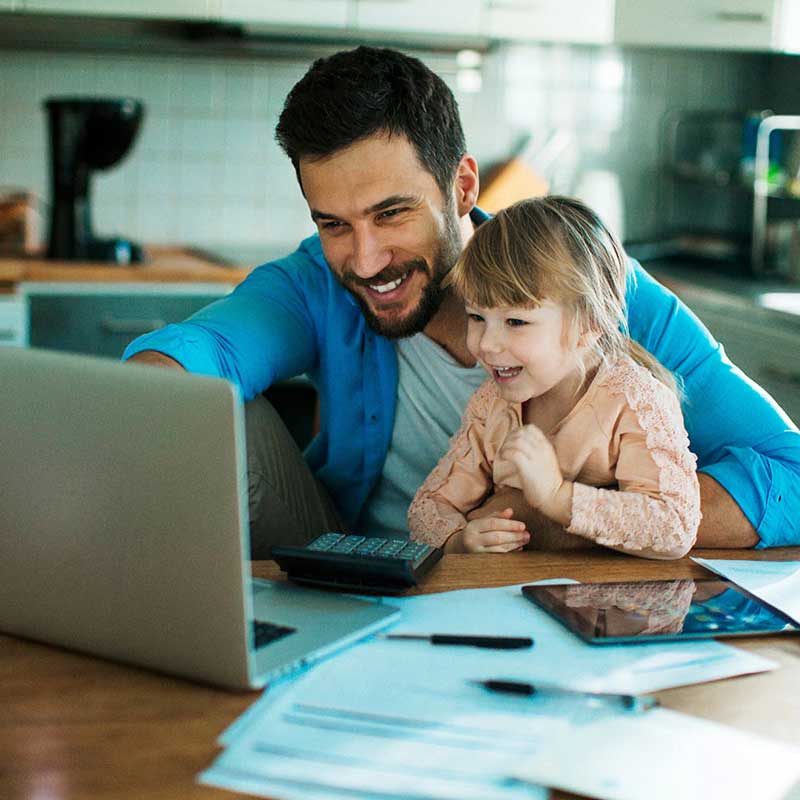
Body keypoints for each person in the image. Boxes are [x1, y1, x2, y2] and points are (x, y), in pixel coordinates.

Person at [122, 45, 800, 558]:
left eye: (392, 213)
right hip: (364, 566)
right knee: (212, 410)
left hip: (548, 583)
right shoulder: (312, 283)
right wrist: (126, 407)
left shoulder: (598, 292)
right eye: (333, 223)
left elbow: (790, 472)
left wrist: (552, 516)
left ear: (463, 188)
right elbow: (209, 347)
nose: (364, 260)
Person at [408, 196, 700, 558]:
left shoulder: (636, 400)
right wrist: (460, 540)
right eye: (476, 317)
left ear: (589, 325)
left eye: (516, 321)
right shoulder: (492, 403)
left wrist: (556, 497)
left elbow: (675, 526)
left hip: (606, 608)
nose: (485, 343)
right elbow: (427, 507)